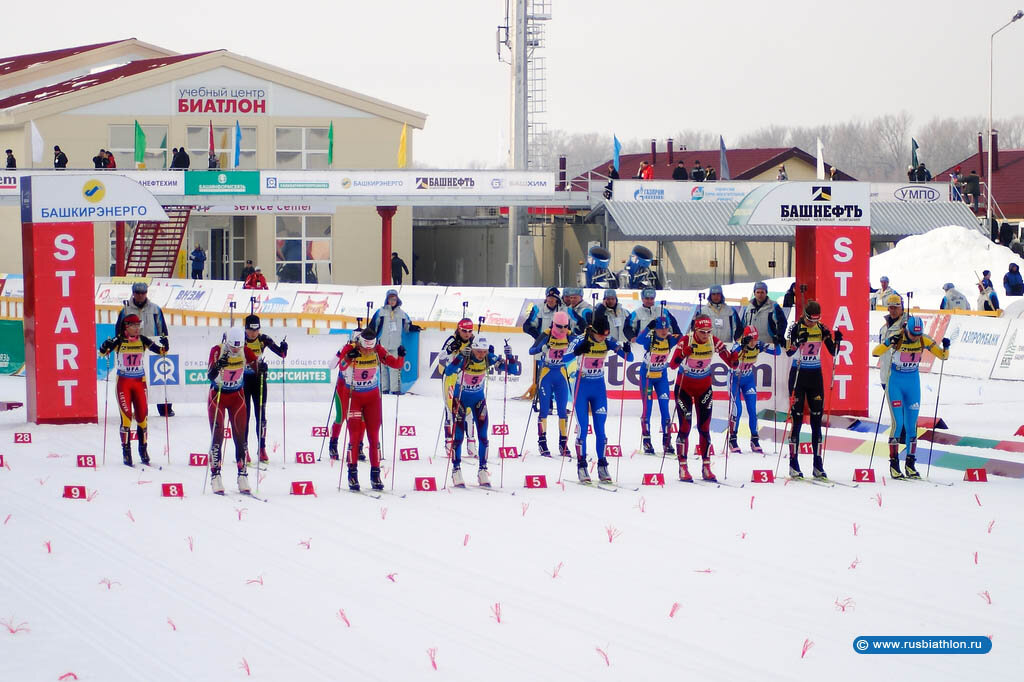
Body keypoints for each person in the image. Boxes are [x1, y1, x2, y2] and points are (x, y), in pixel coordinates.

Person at [872, 316, 950, 479]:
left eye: (918, 334)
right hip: (896, 383)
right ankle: (894, 464)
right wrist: (888, 342)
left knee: (912, 425)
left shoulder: (923, 340)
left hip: (913, 384)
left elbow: (943, 356)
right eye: (913, 335)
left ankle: (910, 464)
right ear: (907, 330)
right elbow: (875, 352)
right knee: (898, 423)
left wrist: (947, 347)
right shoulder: (898, 338)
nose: (916, 337)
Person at [445, 337, 520, 487]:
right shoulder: (466, 356)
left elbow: (513, 370)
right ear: (473, 349)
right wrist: (460, 357)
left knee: (483, 436)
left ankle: (483, 469)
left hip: (478, 400)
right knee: (458, 436)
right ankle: (456, 469)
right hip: (460, 399)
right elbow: (448, 372)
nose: (481, 354)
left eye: (484, 352)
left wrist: (510, 356)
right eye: (478, 351)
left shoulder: (489, 358)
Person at [669, 314, 736, 482]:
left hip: (704, 388)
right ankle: (683, 466)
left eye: (708, 331)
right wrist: (684, 353)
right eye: (702, 332)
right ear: (695, 330)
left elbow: (731, 363)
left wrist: (737, 356)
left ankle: (706, 466)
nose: (706, 335)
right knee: (685, 426)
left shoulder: (714, 341)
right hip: (684, 387)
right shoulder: (686, 340)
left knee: (704, 428)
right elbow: (672, 364)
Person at [336, 328, 404, 491]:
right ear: (360, 343)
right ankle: (352, 474)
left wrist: (401, 355)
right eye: (365, 348)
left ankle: (375, 475)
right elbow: (339, 366)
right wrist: (347, 358)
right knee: (354, 436)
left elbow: (396, 364)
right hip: (355, 397)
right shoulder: (351, 348)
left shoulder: (377, 349)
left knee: (374, 437)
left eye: (370, 348)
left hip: (373, 398)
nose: (368, 351)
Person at [568, 317, 632, 483]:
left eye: (606, 335)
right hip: (582, 386)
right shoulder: (580, 339)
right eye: (601, 335)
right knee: (583, 428)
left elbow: (629, 358)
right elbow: (563, 359)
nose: (604, 338)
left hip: (598, 388)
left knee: (601, 429)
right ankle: (582, 466)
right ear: (593, 331)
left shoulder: (607, 340)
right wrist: (577, 351)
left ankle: (602, 465)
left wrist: (626, 350)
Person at [98, 314, 168, 467]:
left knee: (142, 417)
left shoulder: (142, 340)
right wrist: (105, 345)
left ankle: (143, 450)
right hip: (124, 383)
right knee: (127, 417)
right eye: (134, 326)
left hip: (139, 382)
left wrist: (165, 345)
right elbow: (102, 353)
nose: (137, 328)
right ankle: (126, 452)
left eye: (139, 325)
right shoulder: (119, 341)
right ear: (126, 327)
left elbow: (161, 351)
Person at [784, 301, 841, 480]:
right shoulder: (795, 328)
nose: (812, 324)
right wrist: (796, 343)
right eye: (810, 320)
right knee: (798, 420)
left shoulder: (821, 328)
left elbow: (833, 352)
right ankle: (794, 464)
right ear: (805, 316)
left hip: (815, 376)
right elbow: (787, 351)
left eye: (816, 320)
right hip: (798, 376)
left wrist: (836, 340)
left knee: (817, 421)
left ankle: (818, 465)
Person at [206, 327, 254, 494]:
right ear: (227, 342)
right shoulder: (217, 350)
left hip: (237, 397)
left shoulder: (245, 351)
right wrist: (218, 365)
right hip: (217, 396)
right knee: (218, 435)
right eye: (233, 347)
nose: (235, 351)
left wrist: (262, 369)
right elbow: (210, 375)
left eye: (238, 347)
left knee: (240, 436)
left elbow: (256, 367)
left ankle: (242, 475)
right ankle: (215, 475)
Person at [116, 282, 172, 416]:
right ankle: (132, 409)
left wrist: (163, 339)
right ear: (133, 293)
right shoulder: (125, 310)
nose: (140, 295)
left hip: (150, 345)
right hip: (132, 348)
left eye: (143, 293)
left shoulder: (155, 309)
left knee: (158, 377)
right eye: (137, 293)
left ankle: (165, 408)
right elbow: (118, 330)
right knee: (134, 380)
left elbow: (162, 327)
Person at [241, 314, 288, 463]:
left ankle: (261, 448)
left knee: (261, 416)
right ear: (246, 329)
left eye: (255, 330)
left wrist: (284, 347)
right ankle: (244, 449)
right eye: (250, 330)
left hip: (259, 379)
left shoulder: (263, 339)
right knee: (245, 416)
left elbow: (282, 354)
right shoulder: (240, 339)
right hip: (243, 380)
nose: (253, 334)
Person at [727, 326, 780, 454]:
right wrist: (741, 348)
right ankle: (733, 439)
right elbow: (730, 359)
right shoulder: (738, 346)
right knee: (737, 410)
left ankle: (755, 439)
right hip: (734, 380)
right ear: (745, 338)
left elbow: (777, 352)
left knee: (752, 409)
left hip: (748, 379)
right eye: (751, 339)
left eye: (755, 339)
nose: (753, 342)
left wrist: (777, 341)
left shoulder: (758, 346)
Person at [529, 311, 573, 458]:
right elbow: (531, 350)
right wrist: (541, 349)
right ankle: (542, 442)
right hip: (547, 373)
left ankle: (563, 443)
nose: (562, 329)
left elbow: (581, 344)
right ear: (554, 324)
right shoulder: (546, 334)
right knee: (544, 409)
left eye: (565, 326)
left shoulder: (569, 334)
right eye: (559, 326)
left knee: (562, 409)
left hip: (560, 373)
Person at [637, 315, 680, 456]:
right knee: (647, 408)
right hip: (647, 377)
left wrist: (673, 320)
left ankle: (667, 441)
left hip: (661, 377)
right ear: (655, 329)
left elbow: (682, 338)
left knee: (665, 408)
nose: (663, 331)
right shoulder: (650, 339)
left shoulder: (670, 339)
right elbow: (639, 340)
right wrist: (648, 327)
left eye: (666, 328)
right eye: (660, 328)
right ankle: (647, 440)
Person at [369, 289, 421, 395]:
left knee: (395, 368)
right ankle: (384, 390)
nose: (392, 301)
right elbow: (373, 326)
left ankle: (395, 389)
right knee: (383, 369)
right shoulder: (380, 312)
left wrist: (414, 328)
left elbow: (407, 327)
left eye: (394, 299)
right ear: (386, 299)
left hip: (395, 346)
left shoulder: (402, 314)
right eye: (390, 299)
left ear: (397, 299)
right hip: (382, 346)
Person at [439, 318, 477, 459]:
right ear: (458, 329)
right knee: (450, 410)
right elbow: (441, 356)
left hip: (466, 377)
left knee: (469, 411)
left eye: (469, 331)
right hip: (451, 377)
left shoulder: (474, 340)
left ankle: (471, 444)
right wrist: (451, 348)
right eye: (464, 331)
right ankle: (449, 443)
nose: (467, 334)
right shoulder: (452, 339)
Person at [521, 287, 566, 400]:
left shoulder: (563, 309)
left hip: (560, 347)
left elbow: (573, 324)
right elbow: (527, 326)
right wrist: (540, 339)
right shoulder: (538, 308)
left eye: (553, 298)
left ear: (557, 299)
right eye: (548, 297)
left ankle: (559, 398)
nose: (550, 300)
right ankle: (544, 398)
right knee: (542, 374)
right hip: (544, 347)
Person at [741, 281, 787, 346]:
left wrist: (779, 336)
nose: (760, 295)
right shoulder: (748, 308)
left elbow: (782, 323)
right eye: (758, 292)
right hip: (751, 345)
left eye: (762, 292)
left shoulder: (773, 306)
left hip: (768, 344)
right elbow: (743, 325)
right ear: (754, 293)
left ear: (766, 293)